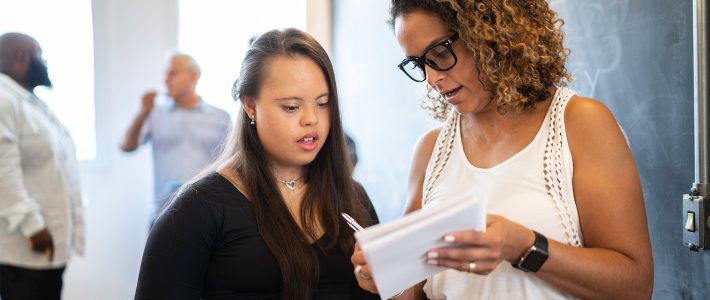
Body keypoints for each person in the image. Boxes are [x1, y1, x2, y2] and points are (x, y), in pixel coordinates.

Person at [351, 0, 653, 299]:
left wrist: (523, 247)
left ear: (488, 34)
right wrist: (383, 275)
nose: (431, 79)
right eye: (417, 64)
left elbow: (634, 286)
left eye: (440, 54)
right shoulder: (431, 151)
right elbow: (414, 290)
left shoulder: (579, 124)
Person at [135, 28, 380, 299]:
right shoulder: (198, 209)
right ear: (250, 105)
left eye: (323, 104)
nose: (311, 119)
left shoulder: (352, 198)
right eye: (291, 107)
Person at [0, 32, 85, 300]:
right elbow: (3, 172)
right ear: (20, 57)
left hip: (46, 247)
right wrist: (33, 227)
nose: (45, 62)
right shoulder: (3, 100)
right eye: (40, 54)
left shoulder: (29, 101)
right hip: (24, 250)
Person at [120, 53, 232, 225]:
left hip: (207, 212)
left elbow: (232, 162)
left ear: (192, 76)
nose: (165, 79)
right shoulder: (155, 114)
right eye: (165, 73)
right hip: (162, 212)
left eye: (173, 73)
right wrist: (142, 113)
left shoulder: (220, 117)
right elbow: (126, 146)